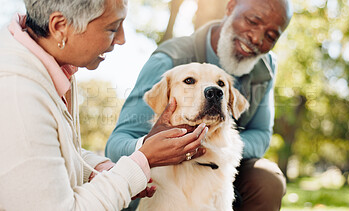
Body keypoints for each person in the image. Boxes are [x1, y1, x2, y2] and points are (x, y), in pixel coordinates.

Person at [0, 0, 208, 210]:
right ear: (59, 26)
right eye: (112, 28)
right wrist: (142, 161)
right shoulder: (18, 95)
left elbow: (51, 155)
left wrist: (103, 170)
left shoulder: (52, 64)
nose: (122, 39)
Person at [106, 0, 293, 210]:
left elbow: (260, 133)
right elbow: (116, 145)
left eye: (270, 36)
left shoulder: (266, 67)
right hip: (164, 172)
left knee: (268, 179)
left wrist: (217, 148)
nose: (256, 38)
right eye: (252, 21)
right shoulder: (169, 59)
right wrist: (158, 147)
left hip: (225, 163)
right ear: (230, 7)